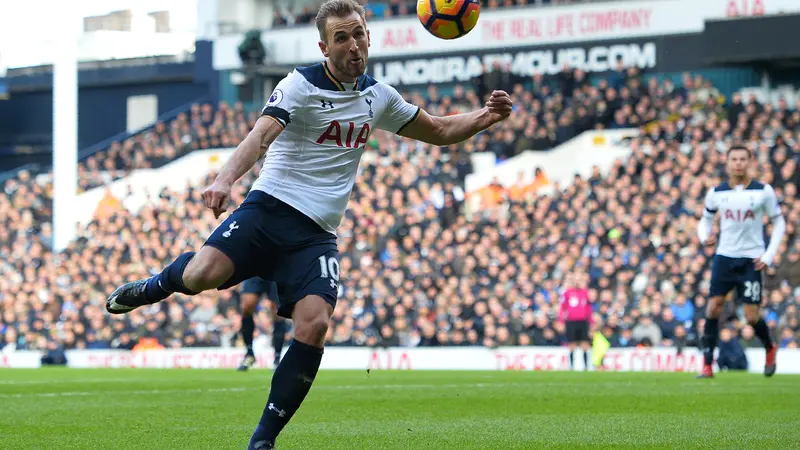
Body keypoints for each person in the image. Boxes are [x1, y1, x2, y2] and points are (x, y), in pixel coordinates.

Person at [104, 1, 513, 448]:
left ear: (369, 37)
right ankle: (151, 288)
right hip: (268, 209)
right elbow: (259, 135)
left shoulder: (379, 97)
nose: (353, 44)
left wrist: (486, 117)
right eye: (342, 37)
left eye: (358, 34)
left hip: (316, 234)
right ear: (324, 46)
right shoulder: (299, 85)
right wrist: (224, 180)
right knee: (202, 275)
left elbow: (438, 129)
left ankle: (263, 439)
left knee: (315, 325)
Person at [696, 145, 785, 379]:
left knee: (752, 316)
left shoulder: (763, 191)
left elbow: (780, 223)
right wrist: (705, 237)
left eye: (742, 159)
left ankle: (769, 347)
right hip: (724, 256)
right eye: (733, 159)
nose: (738, 163)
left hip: (751, 259)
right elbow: (704, 221)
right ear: (727, 162)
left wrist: (768, 255)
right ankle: (707, 364)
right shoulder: (717, 192)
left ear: (749, 162)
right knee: (713, 306)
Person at [237, 277, 288, 371]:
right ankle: (249, 353)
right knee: (246, 306)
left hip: (276, 269)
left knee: (278, 310)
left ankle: (277, 358)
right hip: (255, 269)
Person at [558, 271, 592, 370]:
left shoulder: (585, 293)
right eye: (575, 280)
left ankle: (586, 366)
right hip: (571, 322)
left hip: (583, 321)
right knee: (572, 344)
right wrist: (561, 321)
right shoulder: (567, 293)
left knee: (585, 344)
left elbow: (588, 308)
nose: (577, 282)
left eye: (579, 280)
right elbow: (562, 308)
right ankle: (572, 366)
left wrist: (591, 322)